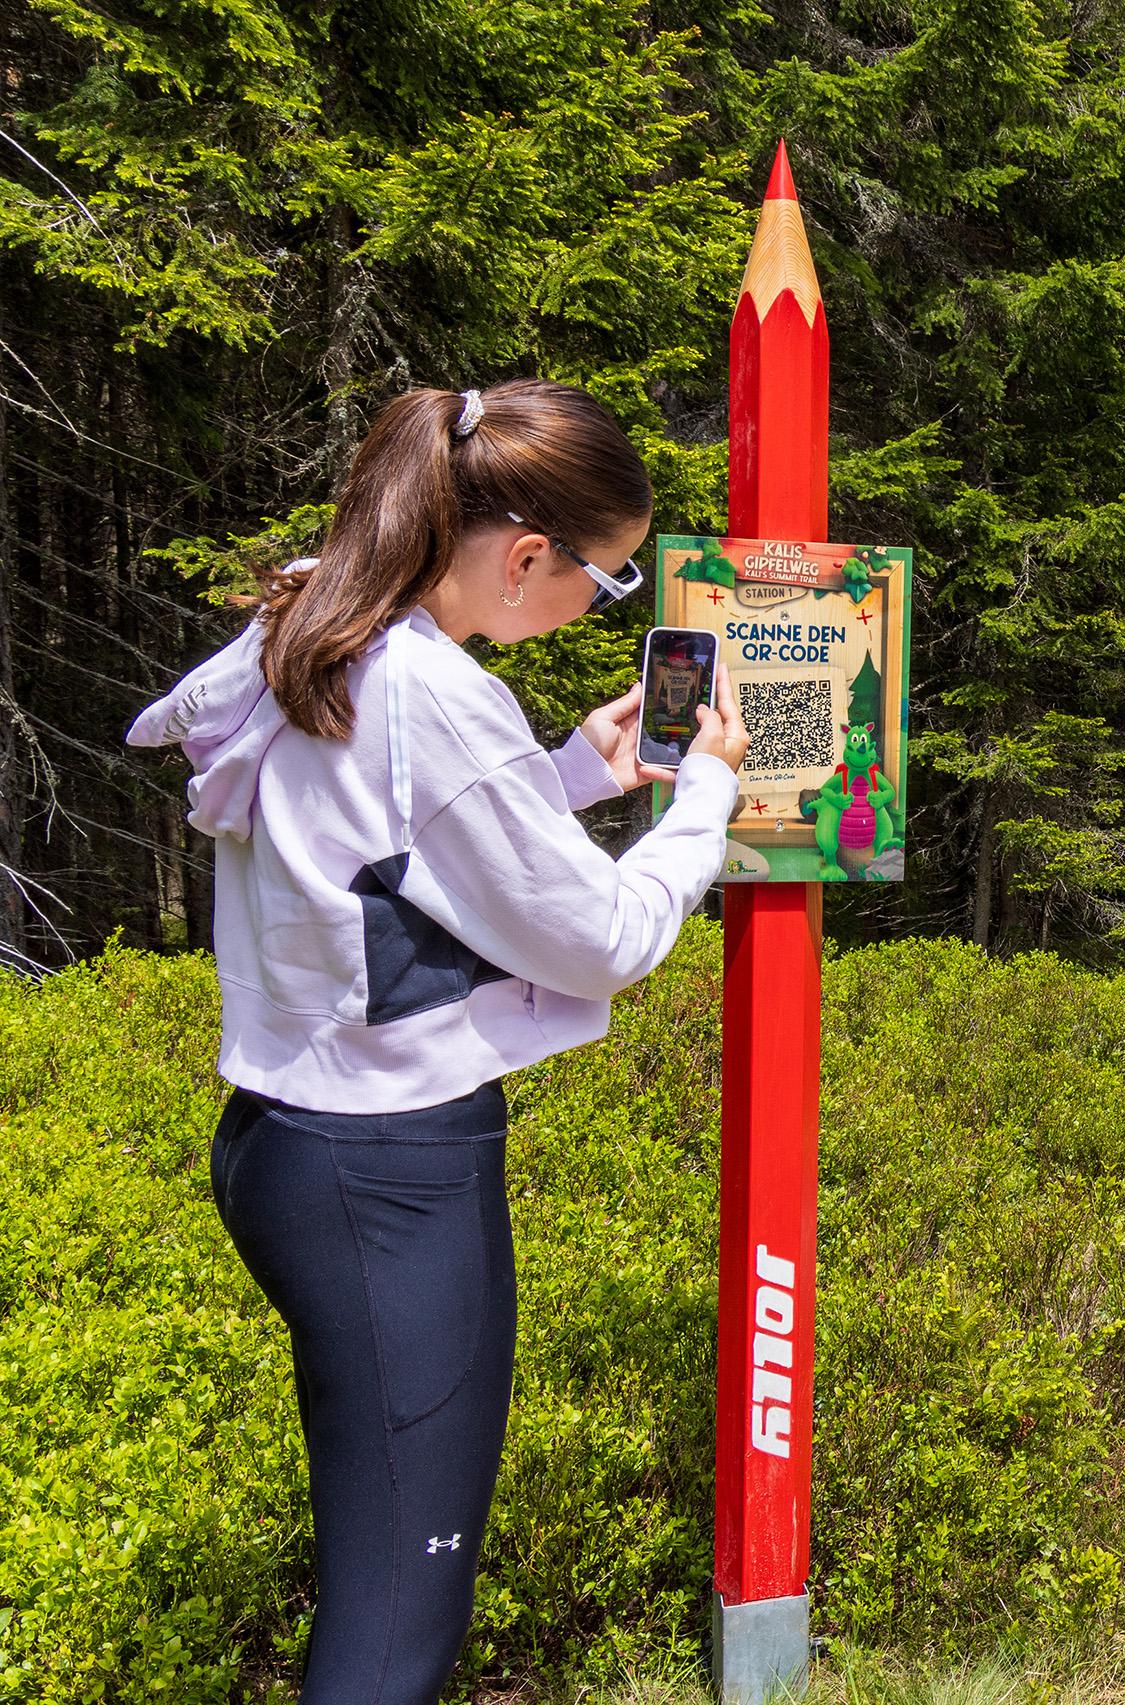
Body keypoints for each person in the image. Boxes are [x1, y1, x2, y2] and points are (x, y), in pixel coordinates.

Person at [126, 379, 750, 1702]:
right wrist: (704, 799)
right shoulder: (437, 695)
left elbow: (374, 834)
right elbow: (605, 938)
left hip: (282, 1141)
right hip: (389, 1174)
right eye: (609, 580)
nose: (602, 605)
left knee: (378, 1560)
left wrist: (568, 774)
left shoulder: (321, 614)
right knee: (401, 1612)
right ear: (526, 558)